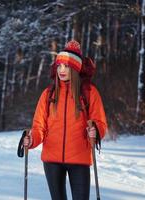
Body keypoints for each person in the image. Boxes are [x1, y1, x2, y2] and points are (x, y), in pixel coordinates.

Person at [23, 40, 107, 200]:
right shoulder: (49, 94)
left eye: (67, 66)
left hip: (79, 158)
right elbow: (39, 126)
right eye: (59, 66)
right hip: (52, 160)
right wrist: (32, 139)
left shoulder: (89, 92)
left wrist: (95, 131)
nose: (61, 70)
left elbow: (100, 122)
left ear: (75, 68)